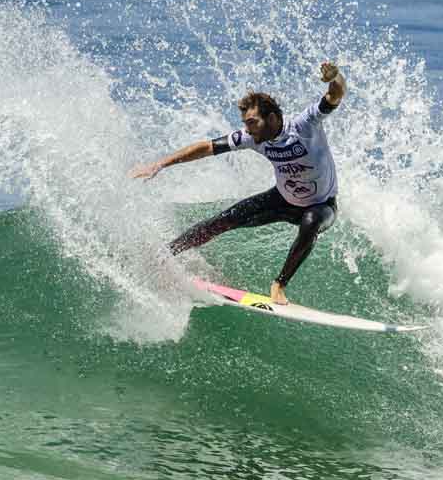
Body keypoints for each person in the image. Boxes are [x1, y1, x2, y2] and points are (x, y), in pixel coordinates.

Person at [130, 62, 346, 305]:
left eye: (252, 122)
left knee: (311, 222)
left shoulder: (304, 125)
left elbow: (334, 94)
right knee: (224, 219)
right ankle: (167, 254)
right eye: (245, 123)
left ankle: (279, 285)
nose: (247, 129)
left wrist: (335, 76)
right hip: (283, 199)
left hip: (322, 205)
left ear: (272, 117)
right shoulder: (254, 137)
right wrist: (160, 164)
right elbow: (206, 147)